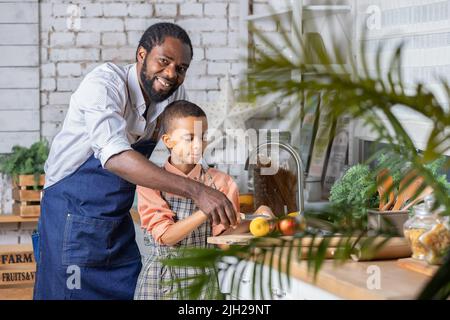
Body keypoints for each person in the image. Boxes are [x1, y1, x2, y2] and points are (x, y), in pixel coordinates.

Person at [33, 22, 237, 300]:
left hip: (116, 225)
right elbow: (115, 157)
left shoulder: (173, 96)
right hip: (72, 216)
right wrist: (198, 191)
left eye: (181, 68)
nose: (171, 74)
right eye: (164, 61)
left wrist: (212, 181)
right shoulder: (104, 85)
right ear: (141, 54)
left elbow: (179, 152)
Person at [133, 100, 274, 300]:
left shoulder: (221, 181)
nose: (199, 145)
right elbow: (166, 237)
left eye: (203, 137)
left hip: (204, 277)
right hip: (162, 278)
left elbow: (224, 237)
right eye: (189, 138)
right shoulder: (151, 182)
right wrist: (206, 208)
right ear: (168, 140)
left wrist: (258, 219)